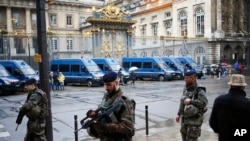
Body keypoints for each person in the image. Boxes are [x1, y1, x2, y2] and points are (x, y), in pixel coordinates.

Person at [85, 71, 135, 141]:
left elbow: (128, 127)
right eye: (105, 85)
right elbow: (105, 113)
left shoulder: (125, 101)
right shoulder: (107, 96)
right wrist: (95, 114)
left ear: (116, 83)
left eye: (109, 85)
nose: (106, 88)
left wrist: (106, 126)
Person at [209, 74, 250, 141]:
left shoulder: (219, 100)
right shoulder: (247, 103)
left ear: (230, 85)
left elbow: (212, 123)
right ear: (243, 87)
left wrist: (222, 132)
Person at [176, 70, 208, 141]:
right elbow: (182, 101)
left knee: (191, 139)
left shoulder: (200, 89)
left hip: (195, 121)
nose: (185, 80)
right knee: (184, 138)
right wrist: (178, 114)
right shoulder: (186, 87)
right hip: (185, 119)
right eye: (185, 78)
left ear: (193, 78)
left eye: (187, 78)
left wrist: (191, 101)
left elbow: (204, 103)